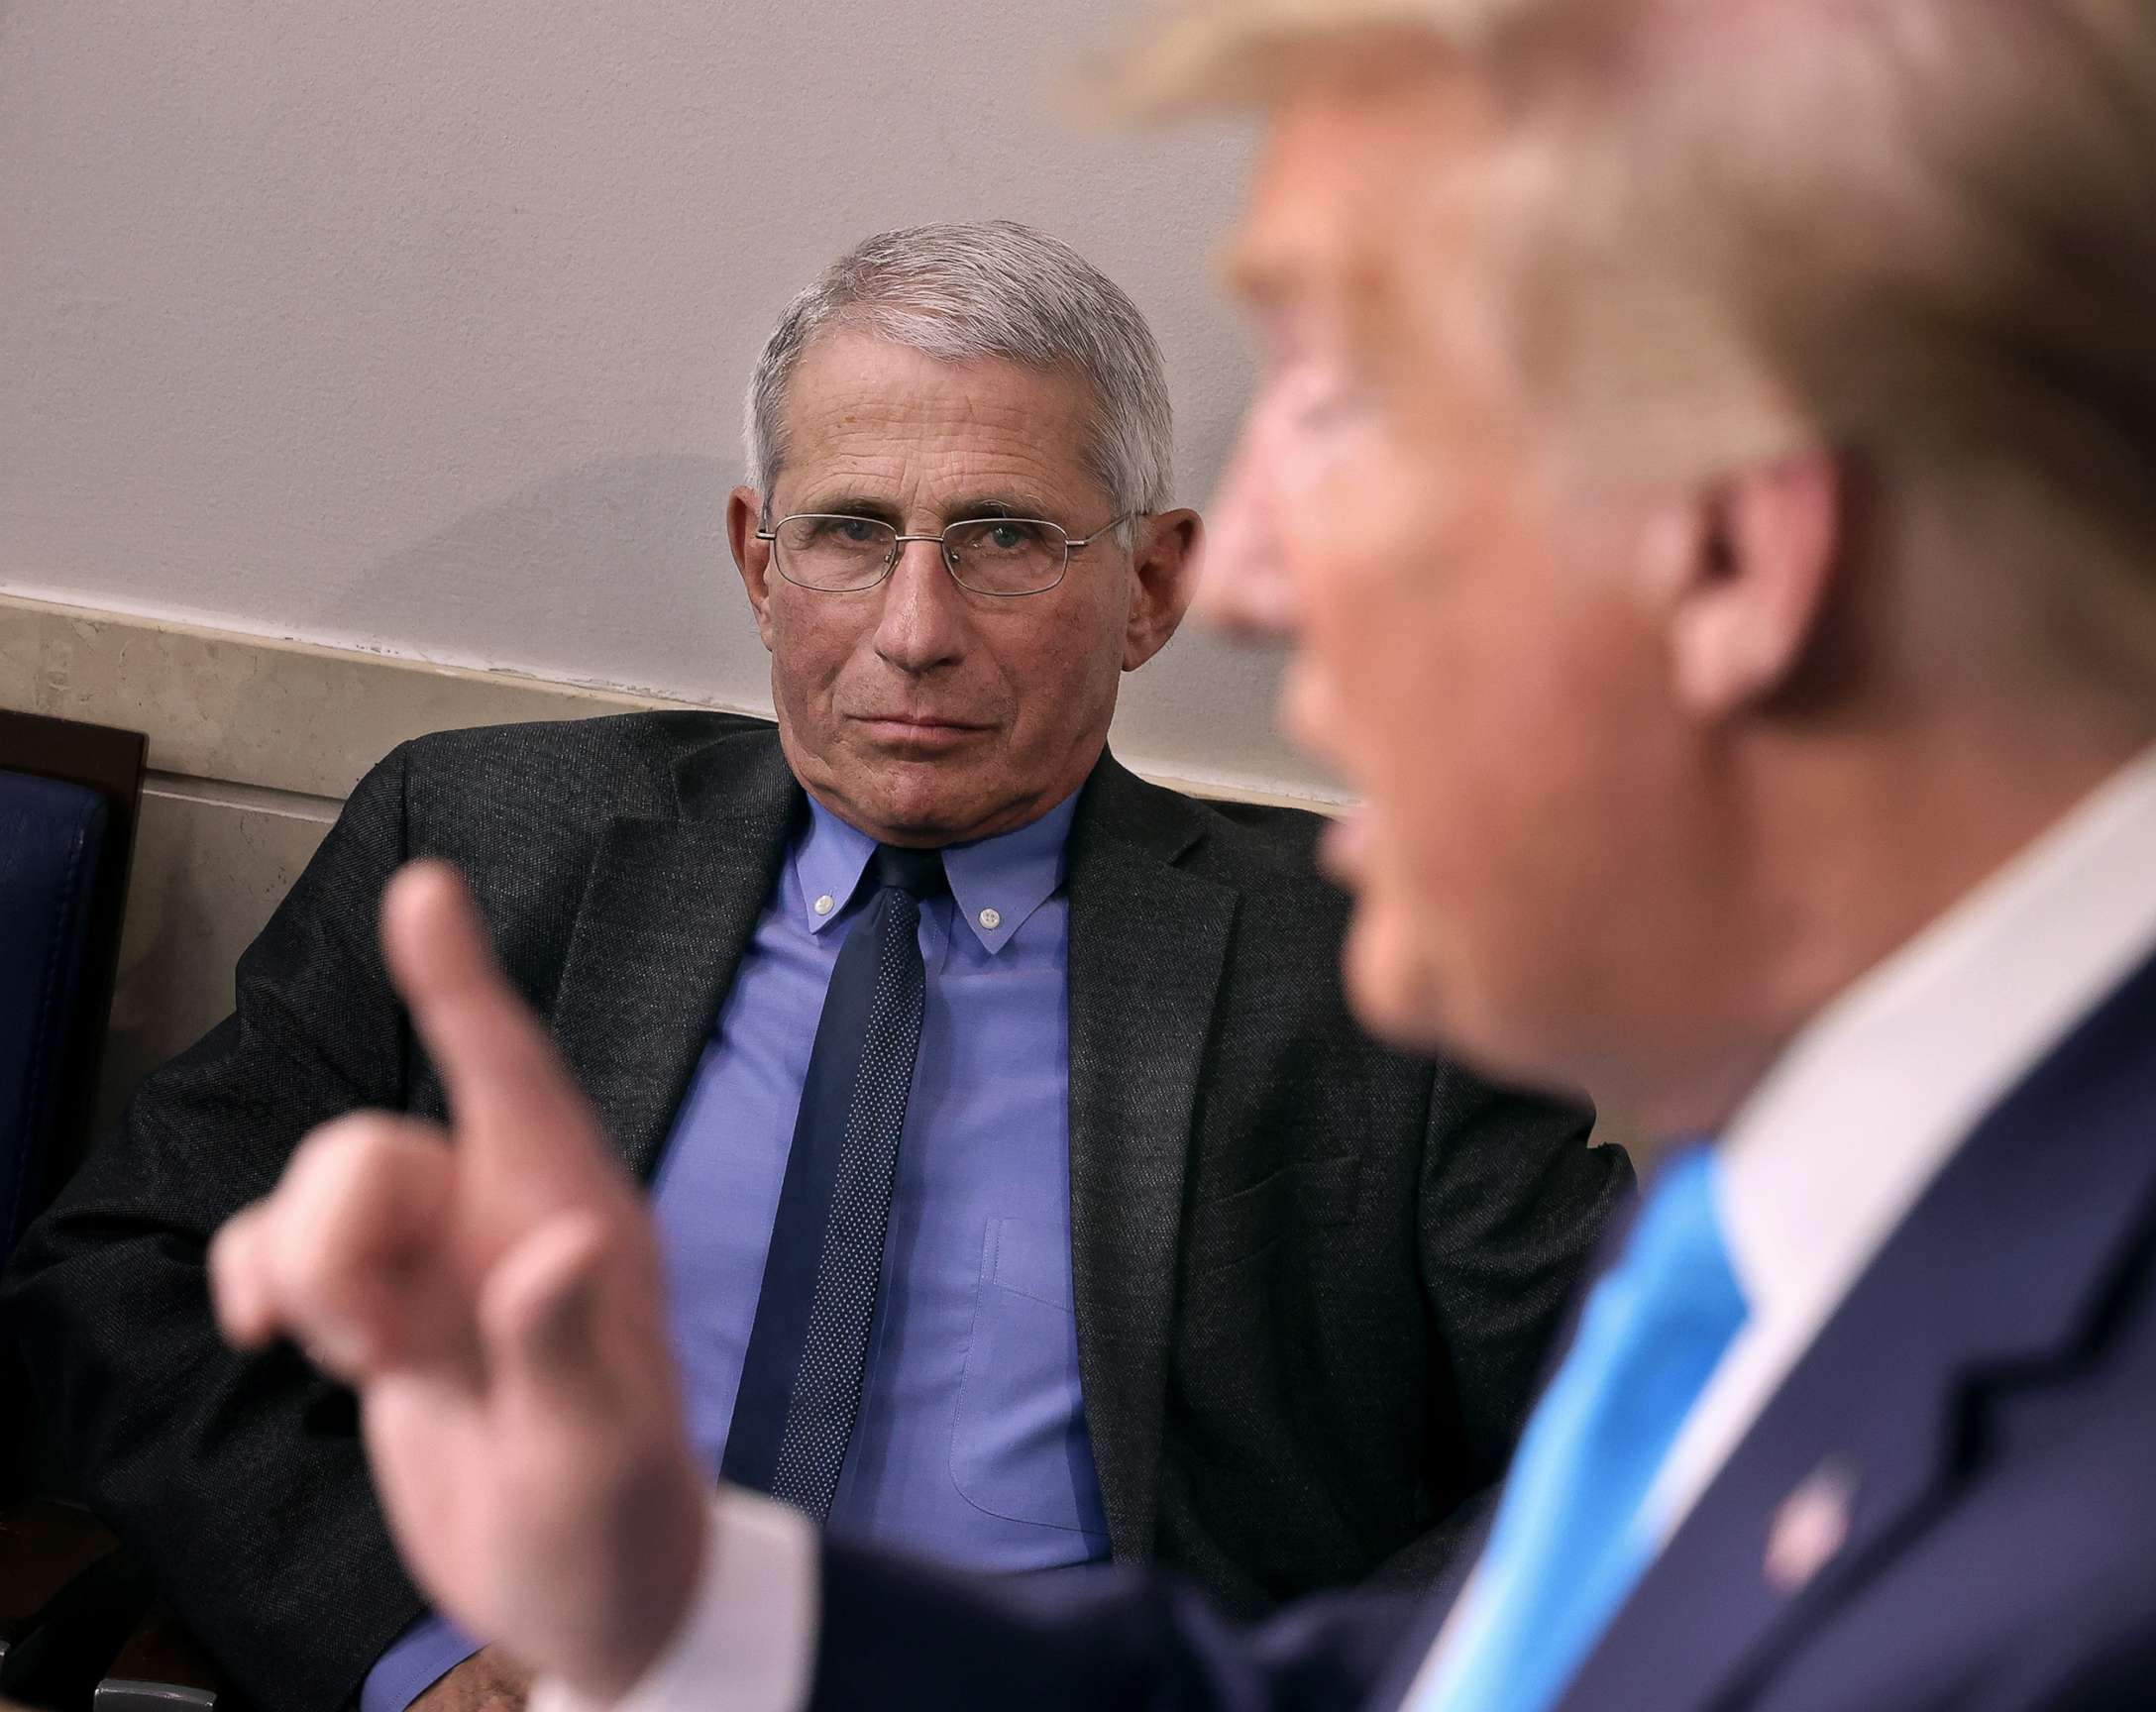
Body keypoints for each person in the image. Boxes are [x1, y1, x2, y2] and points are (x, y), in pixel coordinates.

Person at [204, 1, 2156, 1709]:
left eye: (1345, 403)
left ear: (1743, 550)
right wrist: (687, 1612)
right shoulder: (1921, 1123)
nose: (1238, 586)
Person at [1, 221, 1621, 1712]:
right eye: (852, 532)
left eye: (1003, 540)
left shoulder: (1379, 977)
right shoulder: (485, 845)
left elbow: (1646, 1428)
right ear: (758, 560)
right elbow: (123, 1274)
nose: (915, 627)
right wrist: (411, 1654)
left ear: (1151, 585)